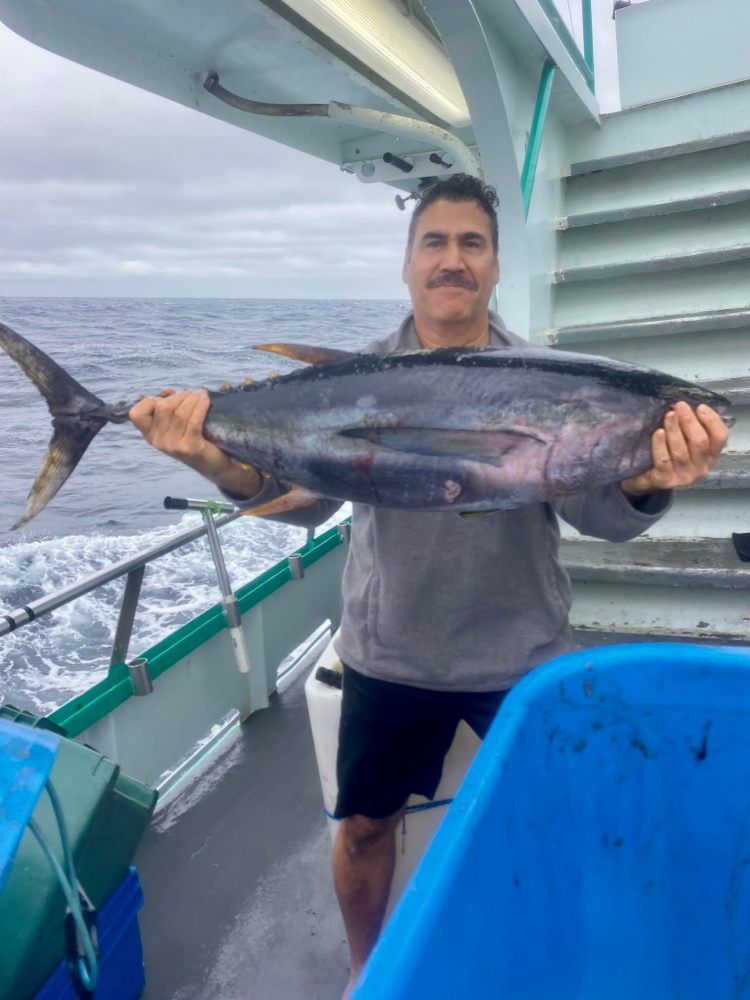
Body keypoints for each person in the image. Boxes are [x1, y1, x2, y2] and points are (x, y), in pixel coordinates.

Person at [129, 174, 730, 997]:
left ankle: (547, 961)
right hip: (391, 650)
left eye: (471, 243)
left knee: (556, 820)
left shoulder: (554, 381)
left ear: (492, 266)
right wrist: (208, 455)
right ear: (409, 265)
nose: (453, 259)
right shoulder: (354, 377)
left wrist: (648, 476)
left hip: (522, 649)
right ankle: (367, 970)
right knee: (367, 828)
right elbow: (308, 505)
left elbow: (603, 512)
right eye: (435, 242)